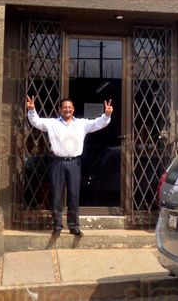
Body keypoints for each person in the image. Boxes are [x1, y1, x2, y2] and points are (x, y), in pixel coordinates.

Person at [26, 95, 113, 237]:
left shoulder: (82, 124)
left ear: (73, 109)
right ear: (60, 109)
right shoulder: (52, 123)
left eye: (70, 107)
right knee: (56, 195)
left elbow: (98, 124)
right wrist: (31, 110)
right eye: (65, 107)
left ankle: (73, 226)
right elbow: (36, 121)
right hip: (57, 162)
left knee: (73, 194)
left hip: (74, 163)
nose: (67, 109)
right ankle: (57, 225)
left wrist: (106, 114)